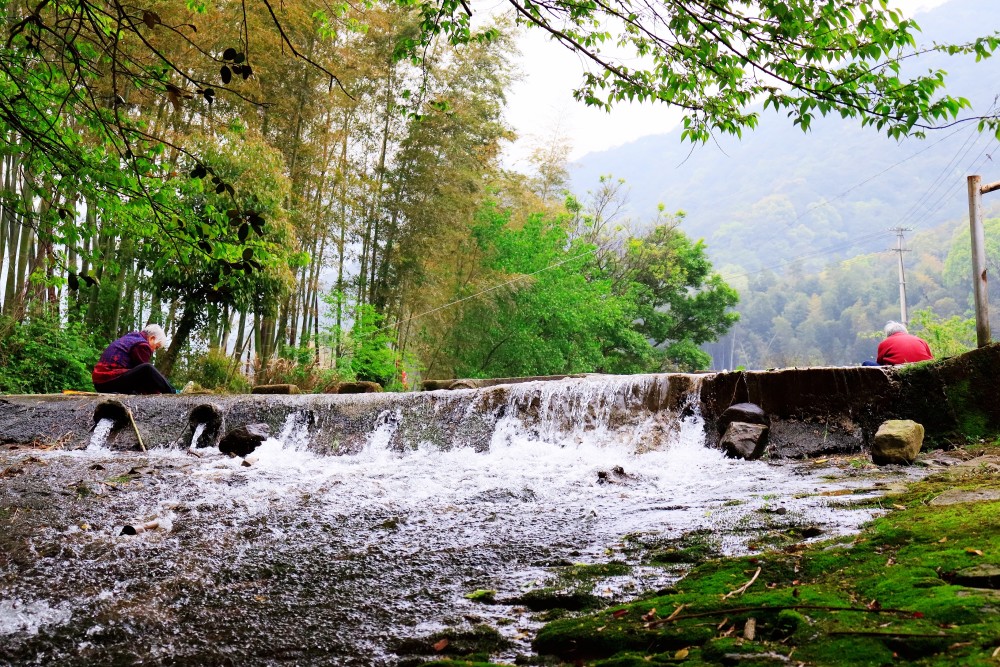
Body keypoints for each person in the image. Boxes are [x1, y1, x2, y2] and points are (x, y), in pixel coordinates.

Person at [92, 324, 177, 394]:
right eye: (156, 347)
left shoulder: (132, 338)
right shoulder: (142, 345)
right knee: (147, 369)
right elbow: (146, 377)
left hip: (102, 382)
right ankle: (173, 392)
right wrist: (159, 393)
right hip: (108, 380)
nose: (154, 350)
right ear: (152, 338)